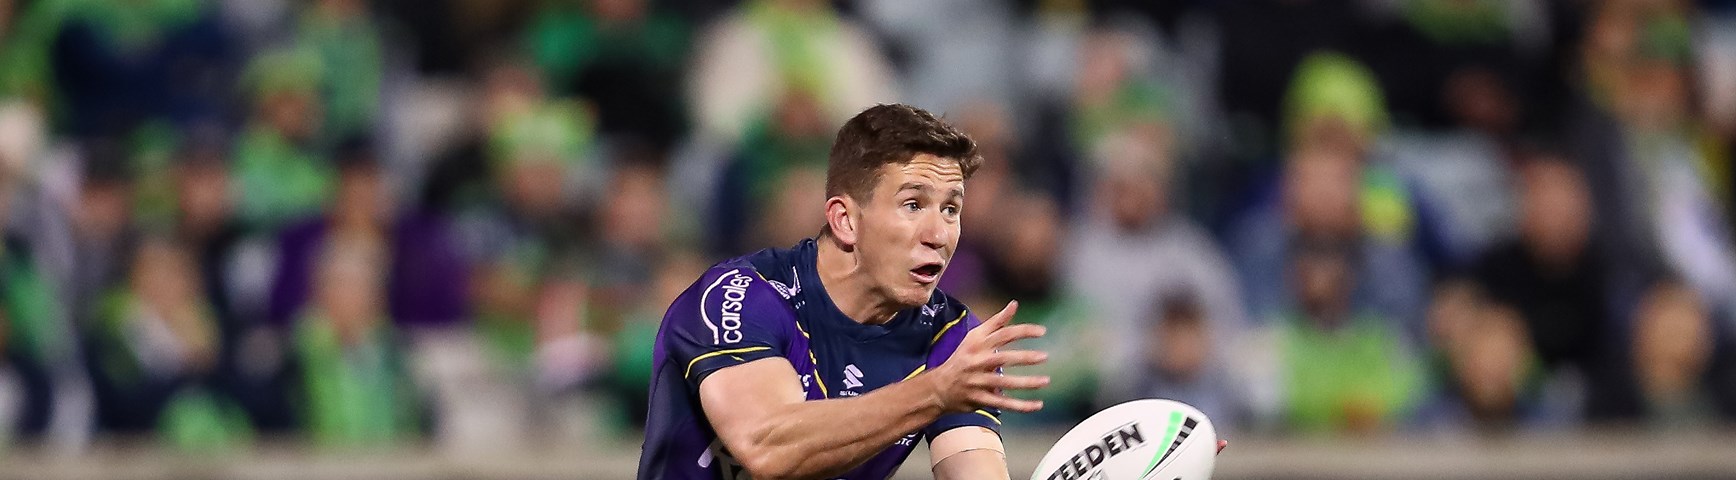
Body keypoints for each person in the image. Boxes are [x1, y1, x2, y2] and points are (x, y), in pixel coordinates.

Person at [638, 104, 1048, 479]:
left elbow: (974, 470)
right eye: (913, 205)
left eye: (950, 209)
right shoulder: (739, 297)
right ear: (845, 220)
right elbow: (767, 447)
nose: (938, 234)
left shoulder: (952, 338)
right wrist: (934, 392)